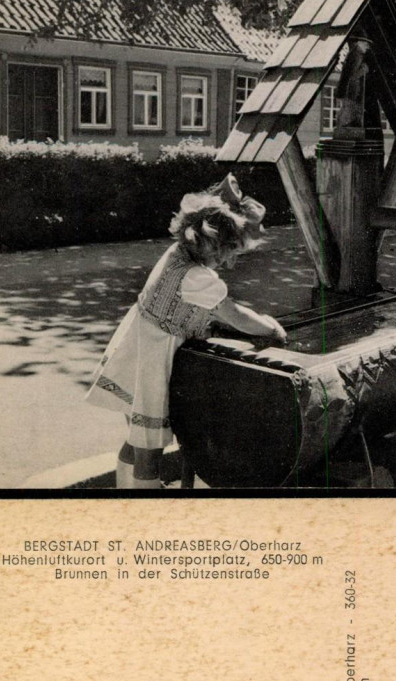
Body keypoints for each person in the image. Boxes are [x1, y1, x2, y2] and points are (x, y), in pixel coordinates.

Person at [85, 179, 287, 488]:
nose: (229, 262)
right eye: (227, 254)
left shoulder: (177, 253)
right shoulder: (198, 278)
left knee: (137, 439)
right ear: (213, 245)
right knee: (150, 453)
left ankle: (126, 491)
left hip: (134, 349)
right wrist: (270, 327)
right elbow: (234, 315)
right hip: (153, 362)